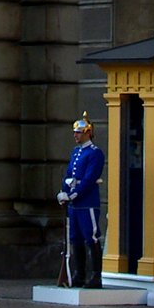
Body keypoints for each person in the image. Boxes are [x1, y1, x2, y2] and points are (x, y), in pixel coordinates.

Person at [58, 112, 104, 287]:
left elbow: (89, 178)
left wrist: (73, 194)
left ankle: (96, 276)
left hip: (87, 202)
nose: (75, 135)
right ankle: (79, 274)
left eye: (78, 132)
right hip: (74, 204)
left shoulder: (95, 153)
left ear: (87, 133)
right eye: (75, 132)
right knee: (75, 238)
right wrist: (63, 192)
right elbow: (69, 174)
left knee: (91, 238)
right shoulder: (76, 152)